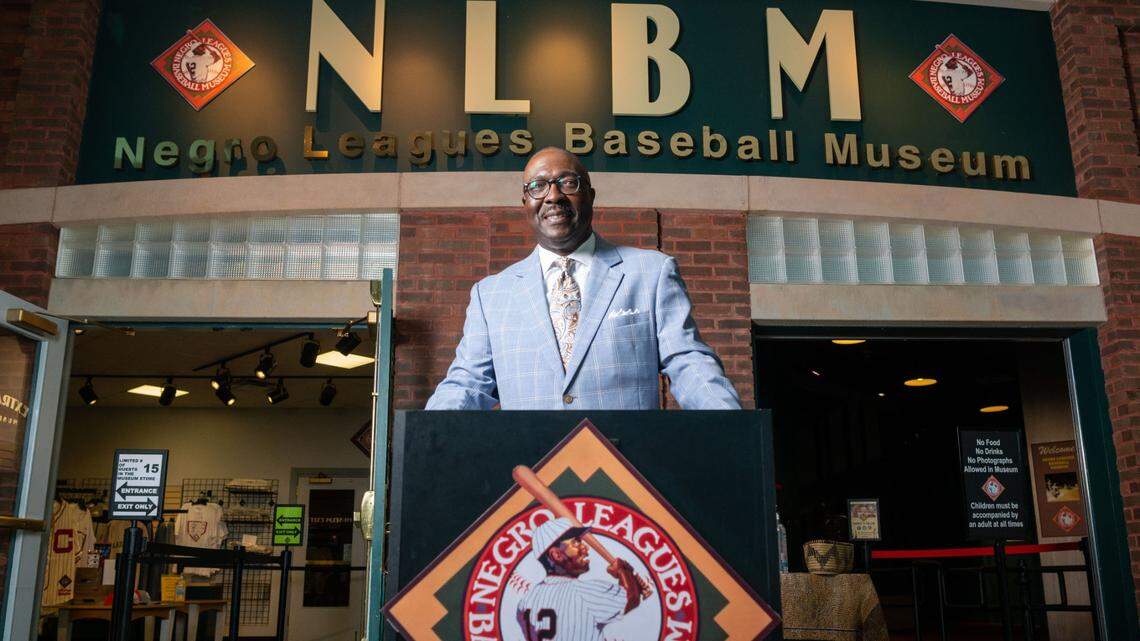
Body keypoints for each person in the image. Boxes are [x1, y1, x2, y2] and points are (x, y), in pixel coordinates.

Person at [425, 147, 741, 410]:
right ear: (525, 204)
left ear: (590, 195)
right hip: (532, 473)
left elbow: (687, 362)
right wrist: (424, 438)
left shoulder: (651, 273)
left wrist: (731, 423)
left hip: (624, 471)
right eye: (538, 186)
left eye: (567, 183)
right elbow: (468, 381)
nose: (553, 196)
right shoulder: (491, 294)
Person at [516, 518, 649, 641]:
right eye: (576, 542)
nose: (585, 548)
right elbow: (631, 597)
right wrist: (623, 571)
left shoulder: (525, 601)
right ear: (557, 555)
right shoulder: (582, 592)